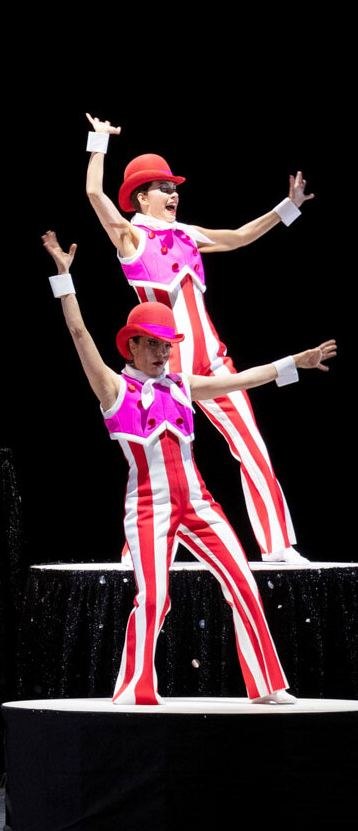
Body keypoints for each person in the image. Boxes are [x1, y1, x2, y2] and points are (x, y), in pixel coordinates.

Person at [40, 232, 327, 705]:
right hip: (149, 508)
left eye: (168, 346)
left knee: (242, 581)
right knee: (154, 599)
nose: (162, 353)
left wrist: (293, 363)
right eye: (153, 345)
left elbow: (240, 380)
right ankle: (134, 688)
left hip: (199, 503)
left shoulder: (181, 385)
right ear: (132, 346)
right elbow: (79, 334)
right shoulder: (115, 390)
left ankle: (268, 685)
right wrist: (64, 279)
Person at [82, 113, 317, 562]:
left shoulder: (187, 235)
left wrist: (288, 208)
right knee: (160, 464)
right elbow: (95, 193)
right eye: (163, 188)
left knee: (252, 444)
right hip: (165, 371)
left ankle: (277, 545)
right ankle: (138, 549)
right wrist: (100, 139)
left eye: (174, 187)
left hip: (213, 360)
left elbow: (238, 237)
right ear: (141, 197)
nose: (174, 194)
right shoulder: (132, 238)